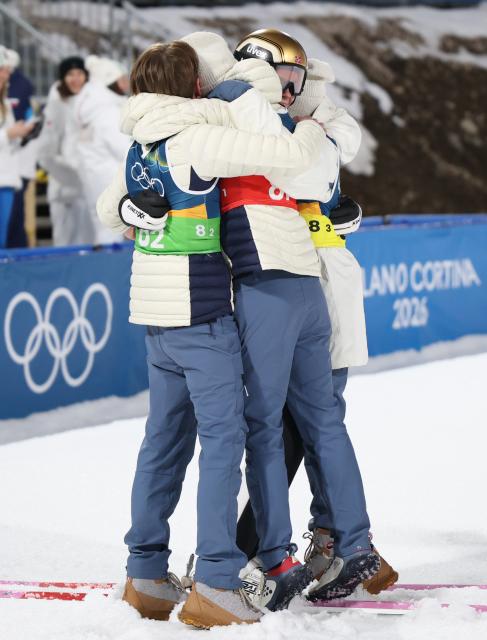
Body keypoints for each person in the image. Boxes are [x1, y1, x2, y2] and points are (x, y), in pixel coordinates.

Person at [97, 40, 331, 628]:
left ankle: (145, 573)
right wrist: (312, 135)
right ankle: (217, 582)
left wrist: (124, 209)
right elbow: (278, 155)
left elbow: (110, 198)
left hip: (153, 316)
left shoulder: (139, 138)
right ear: (194, 86)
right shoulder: (197, 135)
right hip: (200, 314)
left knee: (162, 444)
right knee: (224, 446)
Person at [203, 28, 381, 605]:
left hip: (289, 280)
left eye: (299, 80)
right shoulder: (296, 126)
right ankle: (344, 542)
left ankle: (277, 554)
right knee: (318, 421)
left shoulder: (268, 123)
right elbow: (326, 173)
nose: (291, 89)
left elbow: (314, 173)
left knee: (276, 427)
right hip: (313, 281)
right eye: (284, 77)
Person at [287, 57, 399, 598]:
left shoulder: (304, 132)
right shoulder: (325, 129)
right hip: (324, 276)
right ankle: (335, 540)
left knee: (311, 424)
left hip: (311, 283)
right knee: (315, 422)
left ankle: (348, 545)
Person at [37, 56, 93, 246]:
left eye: (79, 73)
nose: (75, 78)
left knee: (89, 243)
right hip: (64, 190)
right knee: (65, 244)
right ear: (63, 78)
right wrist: (67, 171)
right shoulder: (55, 107)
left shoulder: (91, 104)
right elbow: (45, 151)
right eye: (70, 74)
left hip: (88, 187)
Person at [75, 55, 130, 244]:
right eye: (121, 79)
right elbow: (125, 149)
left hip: (94, 179)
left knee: (102, 227)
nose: (125, 84)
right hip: (110, 181)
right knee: (111, 229)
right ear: (110, 81)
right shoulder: (107, 113)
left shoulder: (92, 109)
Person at [0, 46, 34, 248]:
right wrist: (8, 134)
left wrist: (22, 133)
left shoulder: (4, 101)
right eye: (2, 69)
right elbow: (5, 134)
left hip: (6, 179)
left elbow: (8, 138)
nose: (7, 73)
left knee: (3, 241)